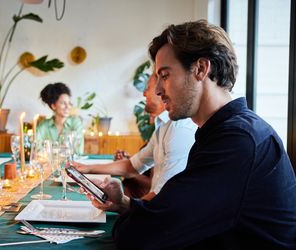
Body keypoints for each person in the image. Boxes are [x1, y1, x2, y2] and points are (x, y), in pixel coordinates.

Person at [87, 20, 296, 249]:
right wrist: (124, 204)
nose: (157, 90)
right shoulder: (225, 131)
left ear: (200, 69)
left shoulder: (237, 141)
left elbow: (139, 236)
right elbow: (176, 217)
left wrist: (131, 219)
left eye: (164, 75)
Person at [73, 74, 197, 200]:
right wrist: (87, 168)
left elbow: (165, 196)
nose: (144, 94)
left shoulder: (179, 128)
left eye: (147, 88)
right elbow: (132, 166)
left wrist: (124, 207)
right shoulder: (164, 126)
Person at [36, 82, 84, 153]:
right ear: (53, 106)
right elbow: (37, 151)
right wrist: (63, 148)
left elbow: (78, 151)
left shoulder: (76, 123)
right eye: (63, 103)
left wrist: (51, 149)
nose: (68, 107)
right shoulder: (43, 126)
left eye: (69, 103)